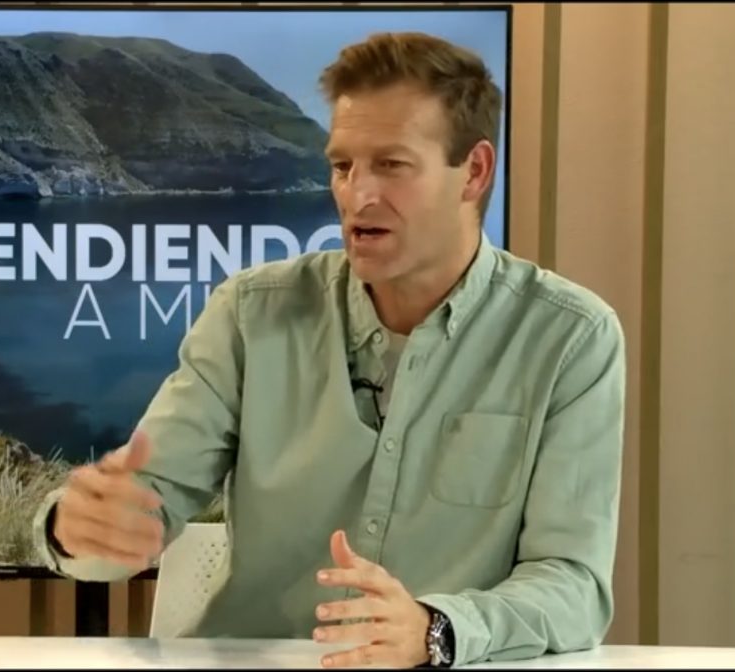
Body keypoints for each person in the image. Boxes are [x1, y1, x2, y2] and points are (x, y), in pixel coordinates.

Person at [32, 31, 626, 668]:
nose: (357, 195)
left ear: (474, 172)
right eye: (343, 166)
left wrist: (435, 630)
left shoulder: (569, 338)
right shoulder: (250, 313)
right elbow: (143, 503)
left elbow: (573, 586)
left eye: (391, 165)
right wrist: (79, 531)